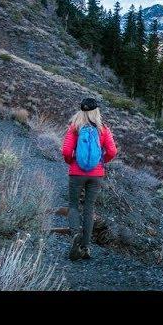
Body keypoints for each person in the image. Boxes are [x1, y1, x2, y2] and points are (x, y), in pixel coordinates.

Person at [61, 98, 117, 261]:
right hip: (96, 174)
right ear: (96, 112)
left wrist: (71, 161)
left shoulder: (74, 128)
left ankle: (75, 234)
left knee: (73, 205)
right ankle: (85, 248)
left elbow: (66, 151)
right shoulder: (103, 129)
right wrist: (101, 161)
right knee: (89, 208)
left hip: (76, 173)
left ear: (81, 111)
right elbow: (112, 151)